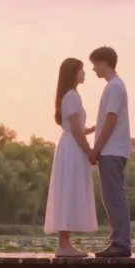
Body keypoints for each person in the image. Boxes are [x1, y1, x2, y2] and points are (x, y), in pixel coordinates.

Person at [43, 57, 97, 257]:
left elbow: (76, 128)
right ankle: (64, 244)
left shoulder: (69, 96)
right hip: (73, 147)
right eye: (81, 70)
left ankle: (65, 242)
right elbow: (75, 130)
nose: (84, 73)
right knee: (69, 190)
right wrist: (90, 152)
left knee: (69, 190)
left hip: (70, 145)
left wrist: (90, 130)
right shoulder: (72, 96)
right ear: (73, 73)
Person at [89, 46, 132, 258]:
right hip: (113, 149)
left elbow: (112, 118)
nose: (93, 69)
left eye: (95, 64)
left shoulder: (114, 86)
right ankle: (118, 240)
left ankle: (121, 243)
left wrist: (96, 149)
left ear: (104, 63)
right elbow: (106, 119)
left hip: (112, 149)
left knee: (114, 196)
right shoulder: (114, 86)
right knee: (111, 196)